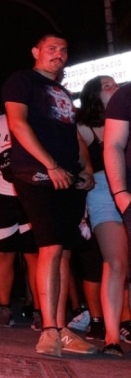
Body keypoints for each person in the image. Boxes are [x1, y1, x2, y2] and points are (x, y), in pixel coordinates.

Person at [2, 34, 97, 357]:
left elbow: (74, 135)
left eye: (64, 50)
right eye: (51, 49)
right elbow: (16, 123)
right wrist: (51, 164)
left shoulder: (64, 93)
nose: (58, 54)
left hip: (67, 176)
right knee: (51, 247)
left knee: (65, 252)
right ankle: (49, 330)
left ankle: (62, 328)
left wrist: (85, 169)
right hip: (37, 174)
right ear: (36, 51)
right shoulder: (22, 80)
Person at [77, 75, 129, 356]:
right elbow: (77, 158)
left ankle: (125, 321)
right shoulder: (87, 127)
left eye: (116, 83)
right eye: (107, 85)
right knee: (115, 259)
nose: (115, 86)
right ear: (95, 96)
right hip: (104, 192)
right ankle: (111, 337)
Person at [0, 113, 39, 328]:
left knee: (35, 256)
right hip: (0, 197)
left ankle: (41, 311)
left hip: (32, 194)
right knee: (2, 254)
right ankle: (4, 308)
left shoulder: (36, 118)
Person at [104, 77, 131, 358]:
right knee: (117, 262)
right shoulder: (126, 96)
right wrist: (121, 192)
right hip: (115, 194)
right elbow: (113, 145)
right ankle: (112, 332)